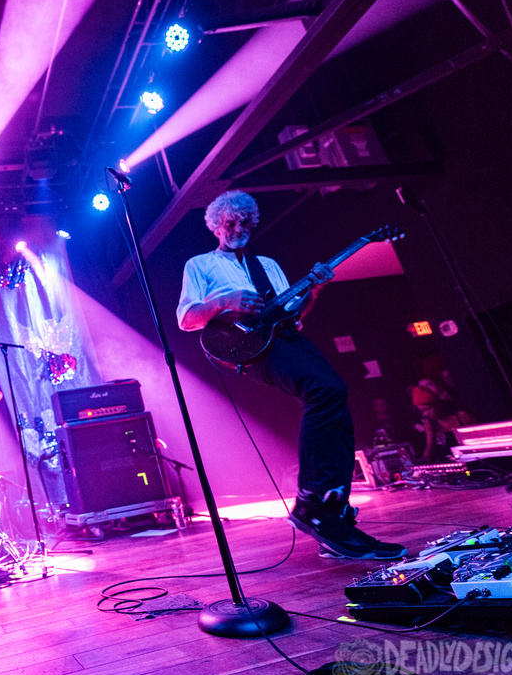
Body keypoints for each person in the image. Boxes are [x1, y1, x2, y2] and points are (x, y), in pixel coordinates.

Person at [176, 190, 406, 560]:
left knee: (337, 400)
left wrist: (316, 288)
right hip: (246, 345)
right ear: (216, 226)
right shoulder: (199, 265)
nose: (237, 228)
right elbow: (187, 319)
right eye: (228, 223)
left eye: (243, 222)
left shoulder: (267, 264)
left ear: (253, 223)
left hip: (286, 338)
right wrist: (226, 301)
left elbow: (295, 314)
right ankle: (311, 503)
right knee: (324, 390)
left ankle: (333, 512)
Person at [412, 382, 478, 460]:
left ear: (438, 404)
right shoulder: (430, 422)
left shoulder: (461, 416)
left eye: (428, 409)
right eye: (422, 411)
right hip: (450, 459)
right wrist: (424, 465)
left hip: (472, 458)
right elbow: (430, 446)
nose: (426, 414)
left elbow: (478, 439)